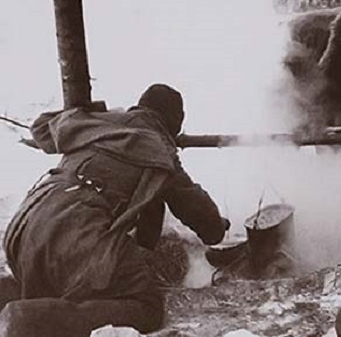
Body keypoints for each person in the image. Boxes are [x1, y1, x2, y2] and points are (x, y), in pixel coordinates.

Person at [0, 84, 230, 336]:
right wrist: (219, 225)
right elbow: (207, 225)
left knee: (52, 285)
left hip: (24, 227)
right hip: (74, 231)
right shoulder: (158, 149)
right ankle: (27, 321)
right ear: (175, 123)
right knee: (146, 305)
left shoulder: (96, 123)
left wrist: (94, 110)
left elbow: (41, 127)